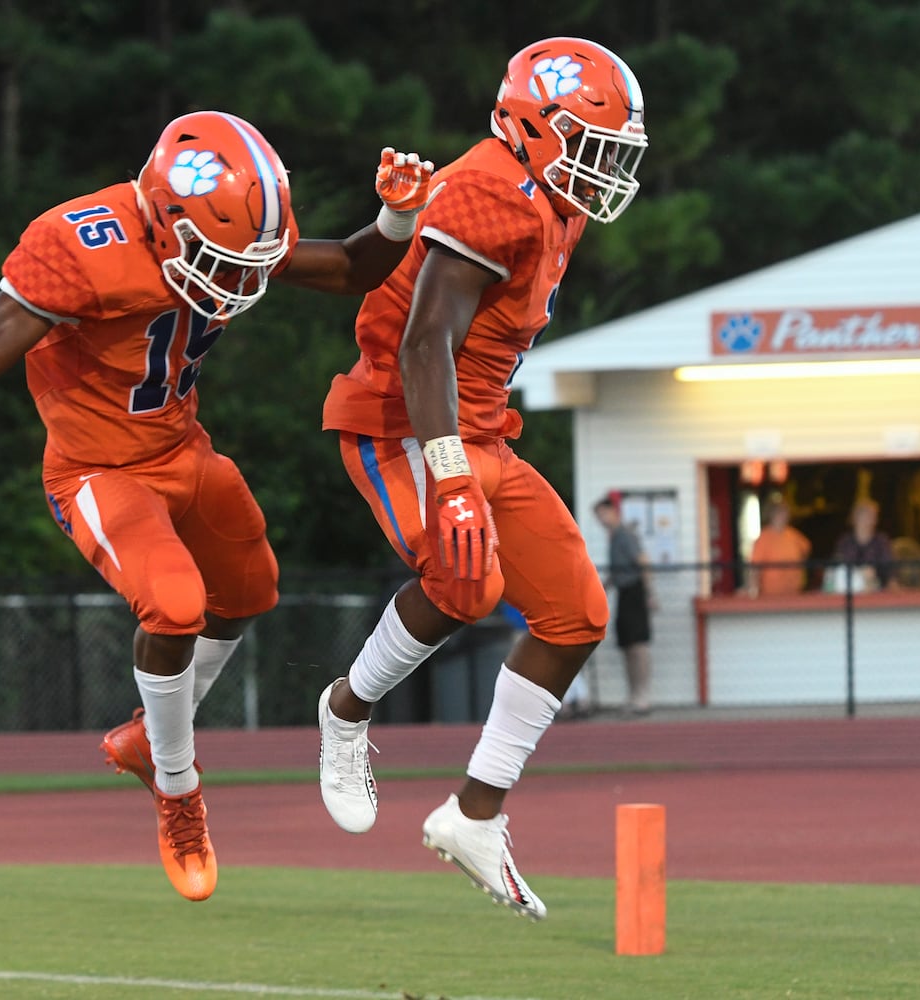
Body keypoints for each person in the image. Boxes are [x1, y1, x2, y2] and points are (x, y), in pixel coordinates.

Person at [0, 110, 436, 903]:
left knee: (250, 593)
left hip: (183, 450)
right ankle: (177, 789)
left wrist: (397, 216)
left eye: (247, 262)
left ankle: (146, 735)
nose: (237, 282)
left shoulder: (221, 236)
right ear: (167, 224)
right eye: (220, 260)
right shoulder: (78, 249)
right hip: (97, 471)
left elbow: (345, 266)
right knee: (174, 605)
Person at [312, 37, 648, 920]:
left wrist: (473, 455)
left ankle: (473, 815)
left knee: (577, 615)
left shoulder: (556, 200)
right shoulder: (492, 188)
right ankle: (346, 710)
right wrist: (449, 473)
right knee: (467, 579)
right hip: (398, 421)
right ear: (532, 126)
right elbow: (425, 343)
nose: (602, 166)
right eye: (588, 142)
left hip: (483, 427)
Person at [592, 495, 656, 714]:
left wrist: (649, 594)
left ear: (614, 511)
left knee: (638, 645)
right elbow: (614, 573)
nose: (601, 519)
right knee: (627, 645)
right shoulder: (613, 538)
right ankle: (633, 695)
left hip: (635, 591)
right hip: (623, 592)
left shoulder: (626, 535)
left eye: (603, 513)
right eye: (598, 516)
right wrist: (598, 592)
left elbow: (643, 562)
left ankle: (643, 696)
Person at [748, 494, 811, 596]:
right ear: (772, 514)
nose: (784, 515)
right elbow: (754, 569)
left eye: (785, 511)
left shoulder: (794, 535)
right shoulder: (763, 539)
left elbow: (806, 550)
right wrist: (753, 592)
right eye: (780, 512)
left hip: (794, 594)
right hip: (770, 596)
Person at [833, 497, 896, 591]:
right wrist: (860, 573)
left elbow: (889, 569)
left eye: (873, 516)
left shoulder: (881, 541)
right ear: (855, 518)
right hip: (850, 591)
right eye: (866, 516)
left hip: (877, 590)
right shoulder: (845, 542)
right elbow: (839, 567)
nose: (871, 520)